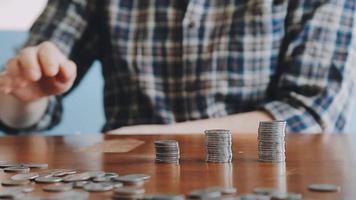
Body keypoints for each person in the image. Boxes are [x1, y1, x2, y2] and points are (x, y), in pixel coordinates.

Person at [0, 0, 355, 135]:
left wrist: (146, 136)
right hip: (127, 182)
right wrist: (25, 98)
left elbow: (312, 116)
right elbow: (18, 111)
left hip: (268, 180)